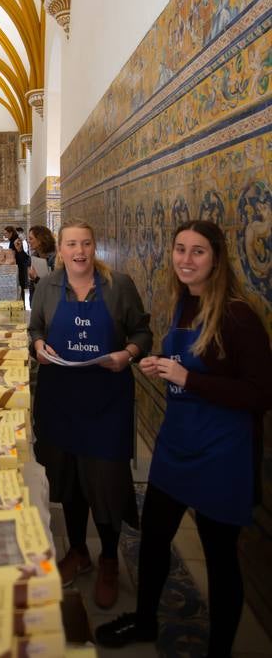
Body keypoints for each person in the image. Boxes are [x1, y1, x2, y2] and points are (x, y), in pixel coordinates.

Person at [96, 220, 272, 657]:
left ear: (216, 258)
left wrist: (188, 378)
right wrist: (160, 364)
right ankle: (145, 621)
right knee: (155, 538)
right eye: (180, 250)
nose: (185, 260)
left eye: (197, 252)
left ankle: (219, 650)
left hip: (222, 453)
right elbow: (186, 367)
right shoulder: (182, 305)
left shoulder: (237, 315)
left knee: (219, 557)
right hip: (177, 446)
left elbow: (261, 393)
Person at [29, 219, 152, 608]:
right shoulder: (47, 286)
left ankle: (110, 558)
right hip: (60, 400)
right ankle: (79, 551)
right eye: (71, 244)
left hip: (106, 401)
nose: (79, 251)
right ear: (60, 249)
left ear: (95, 246)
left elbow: (142, 333)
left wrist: (127, 354)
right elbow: (34, 328)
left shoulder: (119, 286)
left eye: (85, 243)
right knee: (68, 481)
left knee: (107, 482)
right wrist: (37, 346)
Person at [27, 225, 56, 302]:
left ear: (40, 240)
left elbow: (55, 286)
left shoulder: (55, 259)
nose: (28, 241)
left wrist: (36, 278)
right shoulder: (34, 255)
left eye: (31, 238)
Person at [5, 225, 30, 298]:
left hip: (21, 264)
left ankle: (23, 303)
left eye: (6, 233)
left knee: (22, 285)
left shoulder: (17, 240)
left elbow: (23, 254)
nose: (5, 235)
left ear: (11, 233)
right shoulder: (13, 240)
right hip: (19, 263)